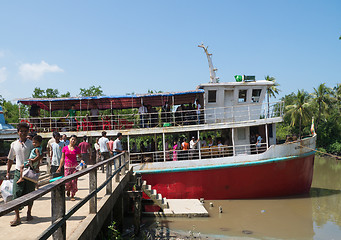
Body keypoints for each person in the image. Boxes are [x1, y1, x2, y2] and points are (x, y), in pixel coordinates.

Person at [6, 122, 43, 226]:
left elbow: (38, 157)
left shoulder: (32, 143)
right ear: (18, 132)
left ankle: (29, 213)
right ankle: (17, 217)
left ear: (28, 132)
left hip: (30, 171)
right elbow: (10, 159)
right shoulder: (13, 144)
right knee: (16, 193)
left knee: (30, 192)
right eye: (21, 131)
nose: (23, 133)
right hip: (18, 171)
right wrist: (8, 172)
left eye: (25, 131)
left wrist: (37, 168)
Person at [57, 135, 82, 201]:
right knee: (67, 182)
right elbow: (62, 158)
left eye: (74, 140)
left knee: (74, 182)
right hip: (67, 167)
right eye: (72, 139)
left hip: (75, 167)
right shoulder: (65, 148)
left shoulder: (77, 149)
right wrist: (60, 167)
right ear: (69, 139)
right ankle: (68, 189)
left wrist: (82, 161)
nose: (73, 141)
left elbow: (80, 157)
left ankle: (72, 195)